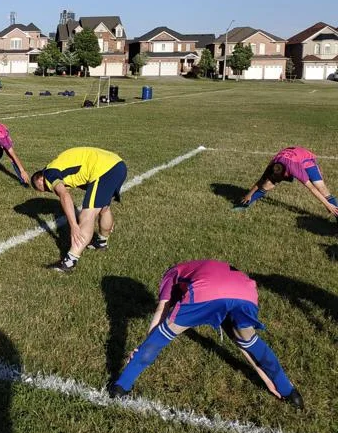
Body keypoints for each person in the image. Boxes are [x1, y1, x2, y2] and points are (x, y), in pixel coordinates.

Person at [109, 259, 303, 409]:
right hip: (246, 292)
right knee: (250, 342)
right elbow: (240, 343)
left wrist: (145, 344)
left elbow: (162, 309)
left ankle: (121, 387)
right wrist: (267, 378)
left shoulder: (172, 273)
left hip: (207, 291)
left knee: (162, 336)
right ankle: (289, 392)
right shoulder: (202, 267)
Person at [30, 146, 127, 273]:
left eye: (46, 188)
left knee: (87, 215)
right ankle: (101, 242)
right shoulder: (61, 169)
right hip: (118, 165)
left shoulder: (49, 174)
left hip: (104, 169)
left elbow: (64, 195)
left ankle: (70, 261)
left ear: (41, 178)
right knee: (104, 208)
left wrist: (74, 225)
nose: (49, 190)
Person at [235, 146, 338, 218]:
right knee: (268, 184)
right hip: (289, 158)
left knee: (321, 188)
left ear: (286, 174)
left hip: (306, 160)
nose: (278, 180)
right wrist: (248, 195)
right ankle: (244, 204)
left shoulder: (294, 169)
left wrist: (327, 205)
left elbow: (311, 188)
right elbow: (260, 181)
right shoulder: (273, 165)